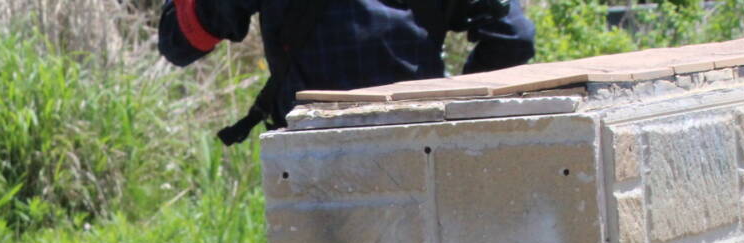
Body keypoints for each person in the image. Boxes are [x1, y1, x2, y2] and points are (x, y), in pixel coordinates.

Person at [158, 0, 537, 141]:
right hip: (424, 138)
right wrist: (459, 112)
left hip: (311, 149)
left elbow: (179, 42)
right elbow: (513, 37)